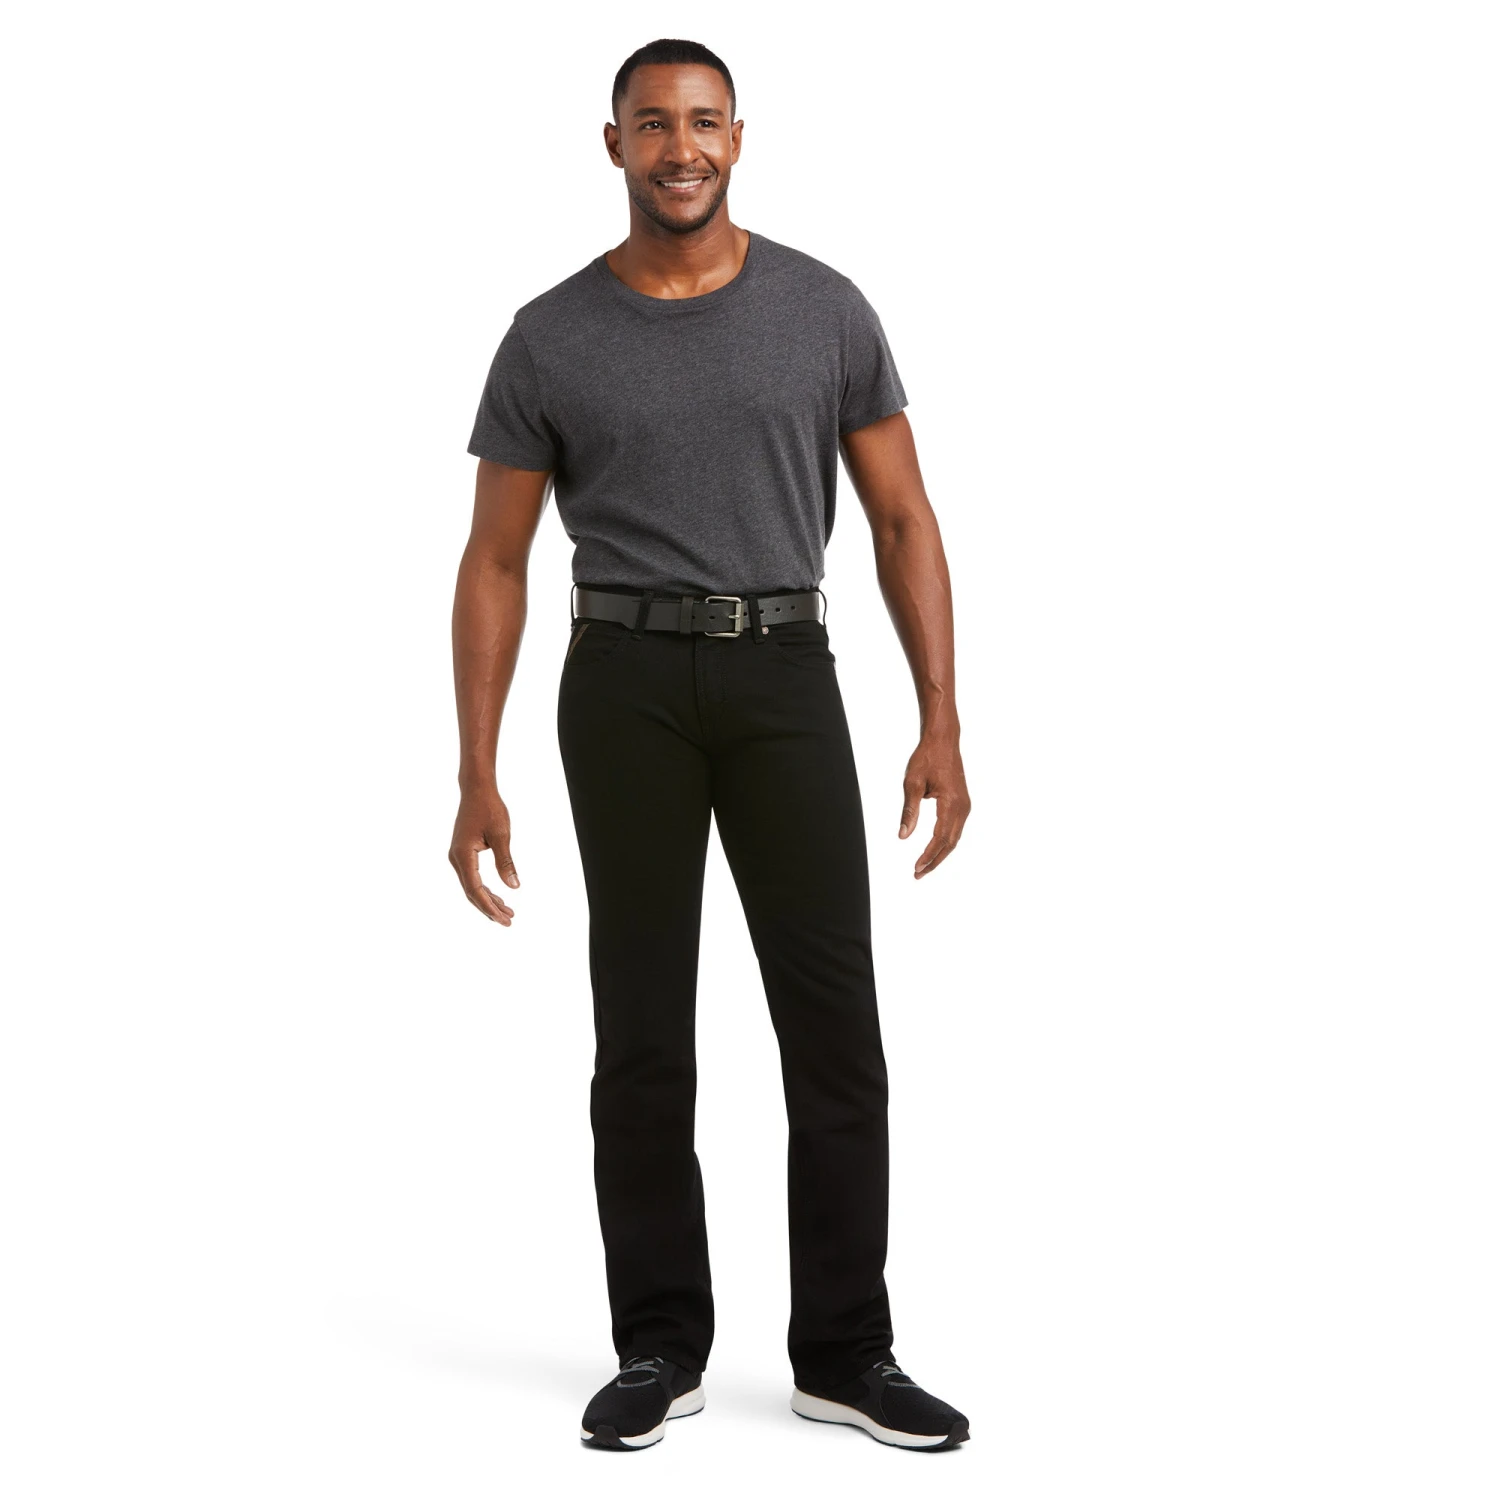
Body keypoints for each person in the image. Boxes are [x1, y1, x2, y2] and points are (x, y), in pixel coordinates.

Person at [449, 38, 971, 1452]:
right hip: (620, 683)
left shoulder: (824, 309)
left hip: (783, 673)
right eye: (651, 125)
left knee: (834, 1024)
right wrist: (476, 767)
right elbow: (493, 559)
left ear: (738, 137)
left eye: (703, 123)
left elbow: (904, 517)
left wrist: (940, 716)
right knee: (641, 1027)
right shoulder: (549, 335)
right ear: (612, 144)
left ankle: (845, 1353)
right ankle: (659, 1345)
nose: (679, 148)